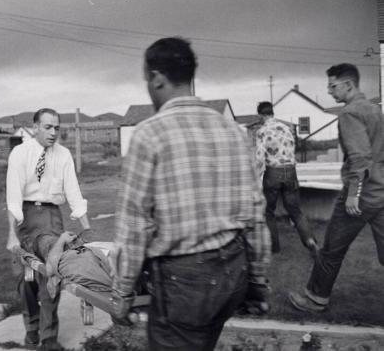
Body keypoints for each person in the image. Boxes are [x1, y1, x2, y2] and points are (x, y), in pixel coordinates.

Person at [110, 37, 271, 351]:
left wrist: (123, 294)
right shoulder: (232, 131)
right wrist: (257, 283)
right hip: (231, 274)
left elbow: (134, 226)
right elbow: (254, 216)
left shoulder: (149, 134)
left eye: (148, 80)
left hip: (183, 286)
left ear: (157, 78)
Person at [289, 63, 384, 312]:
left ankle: (316, 299)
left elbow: (360, 156)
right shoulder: (375, 109)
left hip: (360, 197)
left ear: (348, 85)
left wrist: (354, 193)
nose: (330, 92)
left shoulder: (349, 113)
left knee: (331, 250)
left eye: (333, 86)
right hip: (381, 192)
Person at [6, 108, 91, 351]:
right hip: (26, 217)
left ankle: (49, 338)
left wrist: (87, 227)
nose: (54, 132)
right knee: (28, 280)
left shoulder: (63, 155)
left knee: (51, 274)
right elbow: (13, 197)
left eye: (57, 128)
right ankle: (32, 329)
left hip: (53, 219)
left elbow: (74, 193)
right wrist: (12, 233)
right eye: (48, 127)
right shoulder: (20, 153)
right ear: (35, 127)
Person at [255, 101, 319, 255]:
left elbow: (259, 158)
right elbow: (292, 151)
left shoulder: (262, 131)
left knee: (268, 211)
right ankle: (310, 241)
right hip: (290, 171)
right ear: (272, 113)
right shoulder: (287, 129)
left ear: (261, 115)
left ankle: (274, 247)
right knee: (295, 210)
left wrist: (255, 178)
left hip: (273, 173)